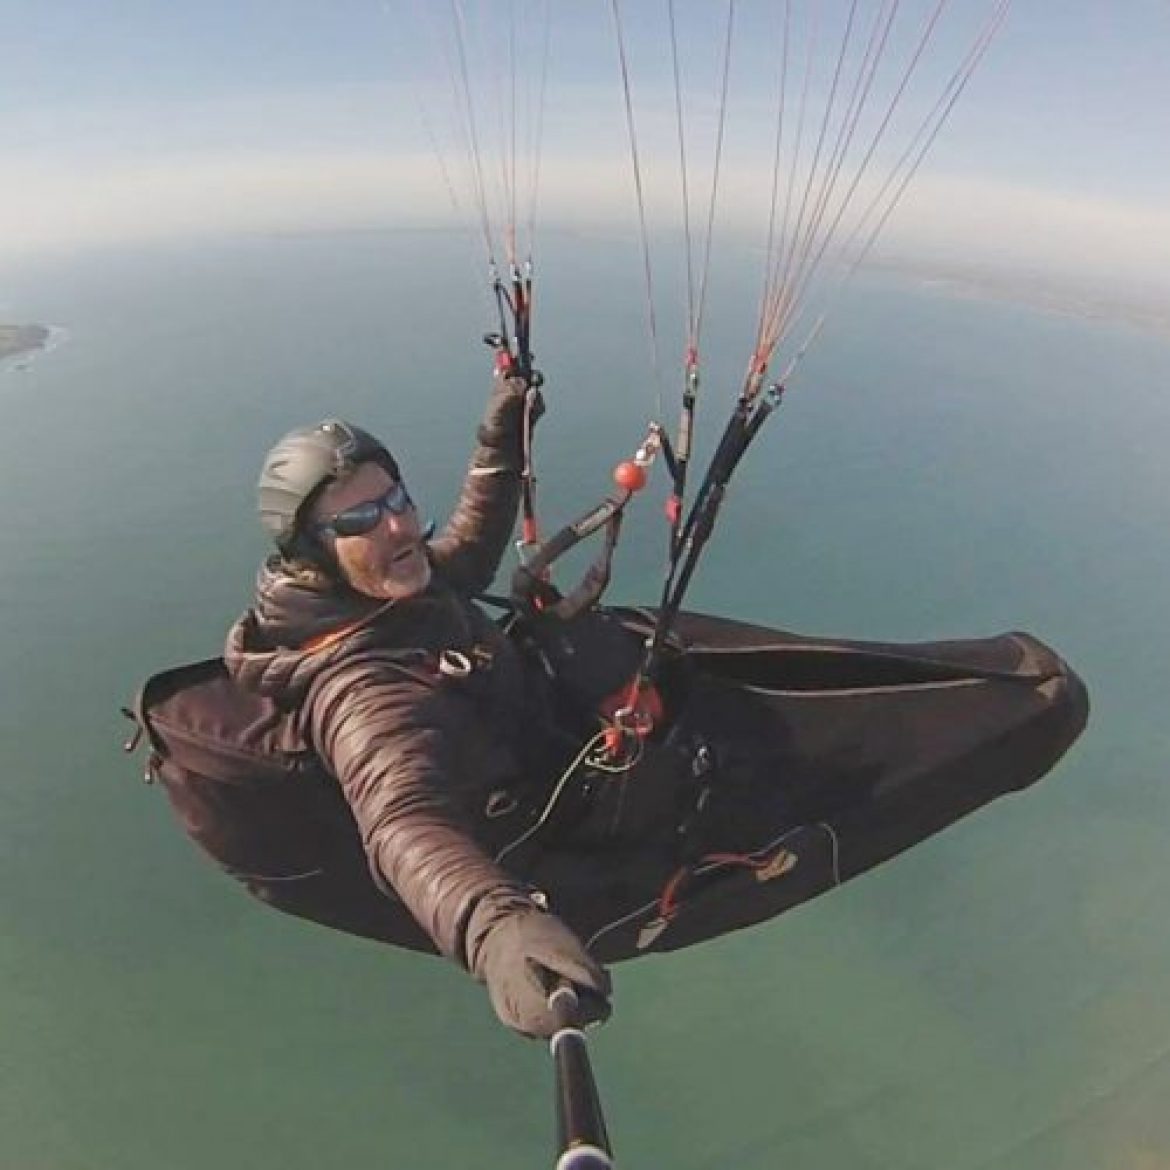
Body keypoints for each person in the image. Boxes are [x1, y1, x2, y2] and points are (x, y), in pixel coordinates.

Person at [223, 373, 611, 1039]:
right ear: (314, 553)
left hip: (539, 732)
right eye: (361, 520)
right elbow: (402, 824)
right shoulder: (360, 689)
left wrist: (500, 446)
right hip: (535, 821)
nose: (400, 524)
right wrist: (494, 930)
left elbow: (463, 556)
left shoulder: (382, 590)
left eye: (395, 497)